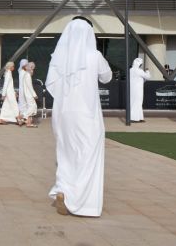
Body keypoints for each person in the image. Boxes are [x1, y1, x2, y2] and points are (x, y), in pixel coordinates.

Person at [47, 17, 113, 218]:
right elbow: (107, 77)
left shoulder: (59, 56)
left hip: (63, 114)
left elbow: (52, 83)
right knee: (87, 156)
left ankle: (64, 191)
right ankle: (80, 202)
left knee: (65, 155)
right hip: (87, 114)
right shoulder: (94, 55)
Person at [0, 61, 20, 126]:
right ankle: (18, 119)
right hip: (9, 93)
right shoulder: (9, 73)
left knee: (5, 106)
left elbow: (8, 85)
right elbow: (6, 84)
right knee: (15, 105)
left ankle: (1, 119)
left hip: (9, 92)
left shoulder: (8, 73)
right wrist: (3, 94)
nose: (14, 67)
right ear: (10, 67)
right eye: (13, 66)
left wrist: (13, 92)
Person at [129, 56, 149, 123]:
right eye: (141, 64)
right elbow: (148, 77)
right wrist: (147, 71)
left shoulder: (130, 70)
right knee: (138, 103)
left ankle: (140, 117)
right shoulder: (139, 71)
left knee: (134, 102)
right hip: (138, 89)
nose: (141, 65)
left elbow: (140, 79)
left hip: (131, 89)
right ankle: (134, 118)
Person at [19, 59, 38, 127]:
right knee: (33, 107)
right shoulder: (27, 75)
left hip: (26, 93)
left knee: (32, 107)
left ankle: (27, 122)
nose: (33, 69)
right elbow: (29, 86)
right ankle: (22, 117)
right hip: (28, 94)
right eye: (32, 68)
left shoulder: (25, 74)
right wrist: (34, 95)